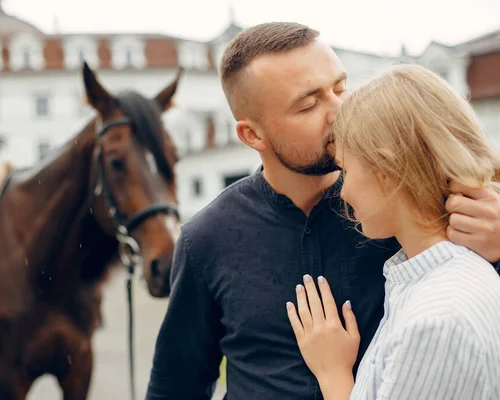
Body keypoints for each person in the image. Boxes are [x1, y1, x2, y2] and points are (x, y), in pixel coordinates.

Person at [145, 22, 500, 400]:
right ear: (253, 135)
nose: (340, 111)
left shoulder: (405, 204)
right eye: (309, 104)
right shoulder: (206, 238)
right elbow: (175, 387)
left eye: (341, 88)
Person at [286, 63, 500, 399]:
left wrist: (332, 374)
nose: (342, 192)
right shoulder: (432, 280)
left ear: (388, 168)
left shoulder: (436, 321)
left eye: (346, 169)